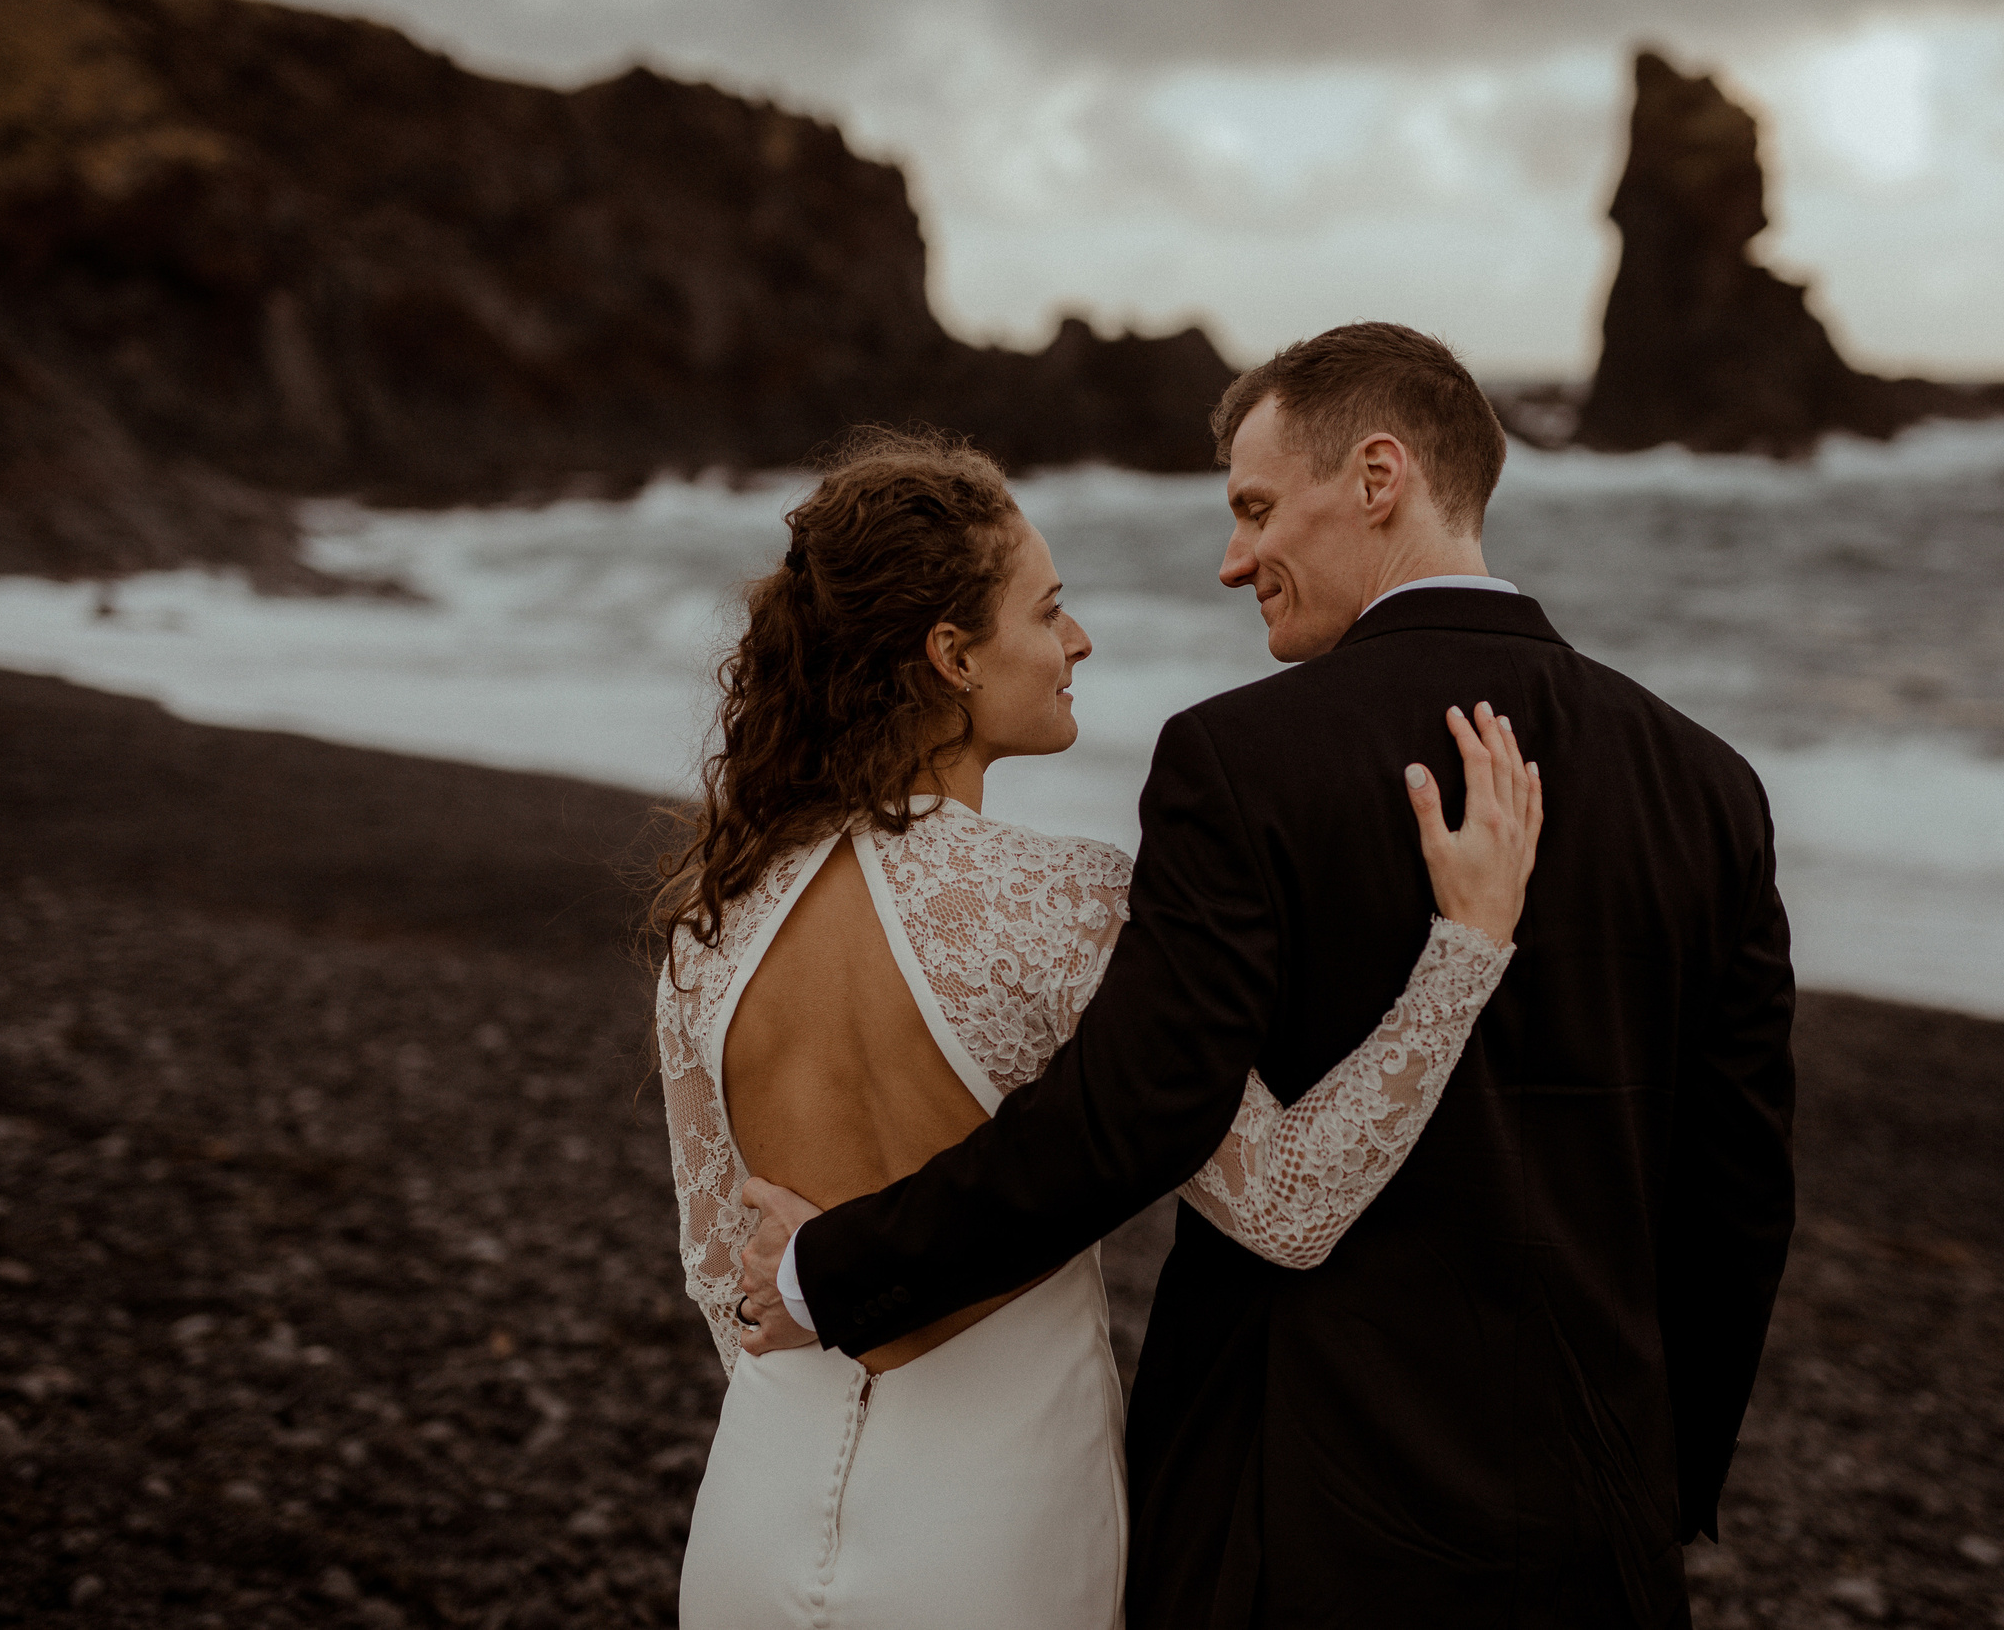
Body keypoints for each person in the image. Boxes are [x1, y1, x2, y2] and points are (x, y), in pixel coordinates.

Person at [738, 324, 1798, 1629]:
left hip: (1293, 1512)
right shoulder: (1707, 784)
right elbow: (1737, 1187)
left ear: (1378, 476)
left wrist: (829, 1270)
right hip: (1596, 1523)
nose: (1233, 559)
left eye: (1252, 508)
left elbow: (1131, 1115)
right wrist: (1660, 1477)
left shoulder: (1239, 761)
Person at [651, 426, 1544, 1629]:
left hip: (755, 1515)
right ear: (953, 656)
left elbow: (727, 1282)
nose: (1078, 640)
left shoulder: (715, 919)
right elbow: (1286, 1206)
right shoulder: (1065, 903)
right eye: (1049, 611)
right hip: (995, 1528)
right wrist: (1466, 949)